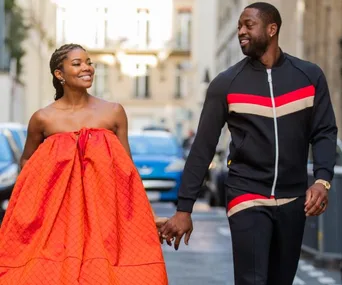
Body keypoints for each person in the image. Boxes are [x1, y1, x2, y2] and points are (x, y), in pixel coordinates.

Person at [160, 2, 337, 285]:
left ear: (272, 29)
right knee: (252, 279)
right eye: (239, 26)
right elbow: (203, 147)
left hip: (293, 199)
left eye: (248, 26)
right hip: (247, 194)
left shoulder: (308, 76)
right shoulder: (227, 83)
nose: (241, 32)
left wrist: (322, 179)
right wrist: (184, 209)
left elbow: (325, 131)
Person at [0, 43, 168, 284]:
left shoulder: (113, 112)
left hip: (105, 216)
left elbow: (128, 171)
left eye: (89, 63)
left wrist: (149, 216)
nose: (87, 68)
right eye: (77, 64)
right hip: (56, 217)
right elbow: (28, 162)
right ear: (60, 74)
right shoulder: (43, 119)